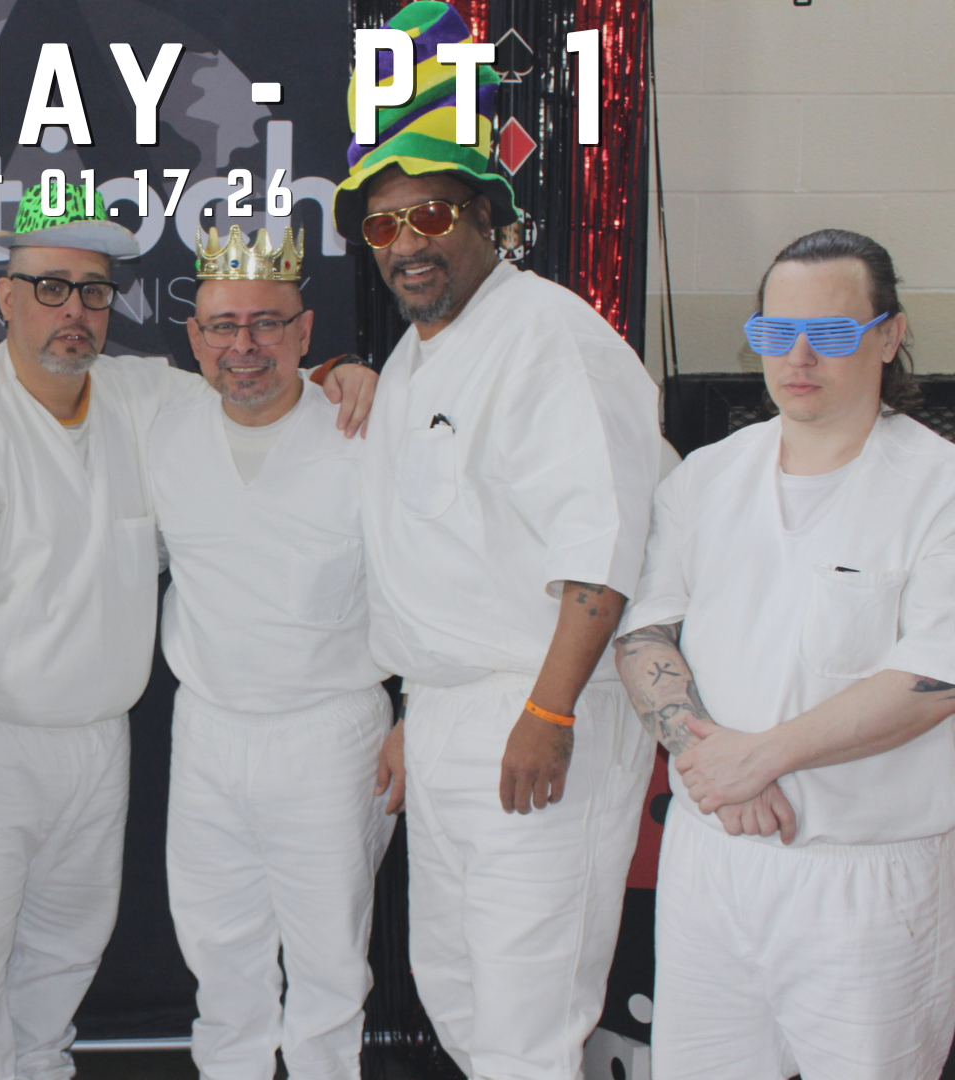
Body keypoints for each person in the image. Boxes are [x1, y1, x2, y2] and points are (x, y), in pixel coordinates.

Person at [0, 184, 377, 1080]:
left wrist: (342, 370)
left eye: (94, 291)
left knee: (65, 951)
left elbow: (256, 381)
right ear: (6, 296)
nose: (74, 310)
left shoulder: (142, 395)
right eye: (50, 287)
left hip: (98, 738)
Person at [337, 5, 666, 1076]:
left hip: (541, 705)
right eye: (382, 227)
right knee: (459, 991)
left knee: (530, 1004)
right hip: (446, 715)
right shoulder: (417, 356)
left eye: (429, 215)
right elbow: (433, 560)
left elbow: (601, 548)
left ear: (488, 217)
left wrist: (548, 710)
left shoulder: (551, 337)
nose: (406, 245)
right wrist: (415, 708)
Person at [616, 229, 955, 1078]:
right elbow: (645, 633)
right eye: (775, 332)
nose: (798, 357)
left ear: (889, 335)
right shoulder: (706, 478)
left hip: (865, 879)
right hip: (712, 861)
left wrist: (760, 758)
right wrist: (709, 758)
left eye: (831, 333)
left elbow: (934, 677)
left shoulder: (938, 488)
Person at [152, 224, 395, 1079]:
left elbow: (422, 586)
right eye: (223, 325)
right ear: (195, 338)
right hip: (208, 726)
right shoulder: (164, 431)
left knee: (330, 959)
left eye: (267, 323)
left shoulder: (365, 430)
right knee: (219, 952)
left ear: (304, 331)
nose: (244, 346)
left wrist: (418, 712)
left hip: (329, 730)